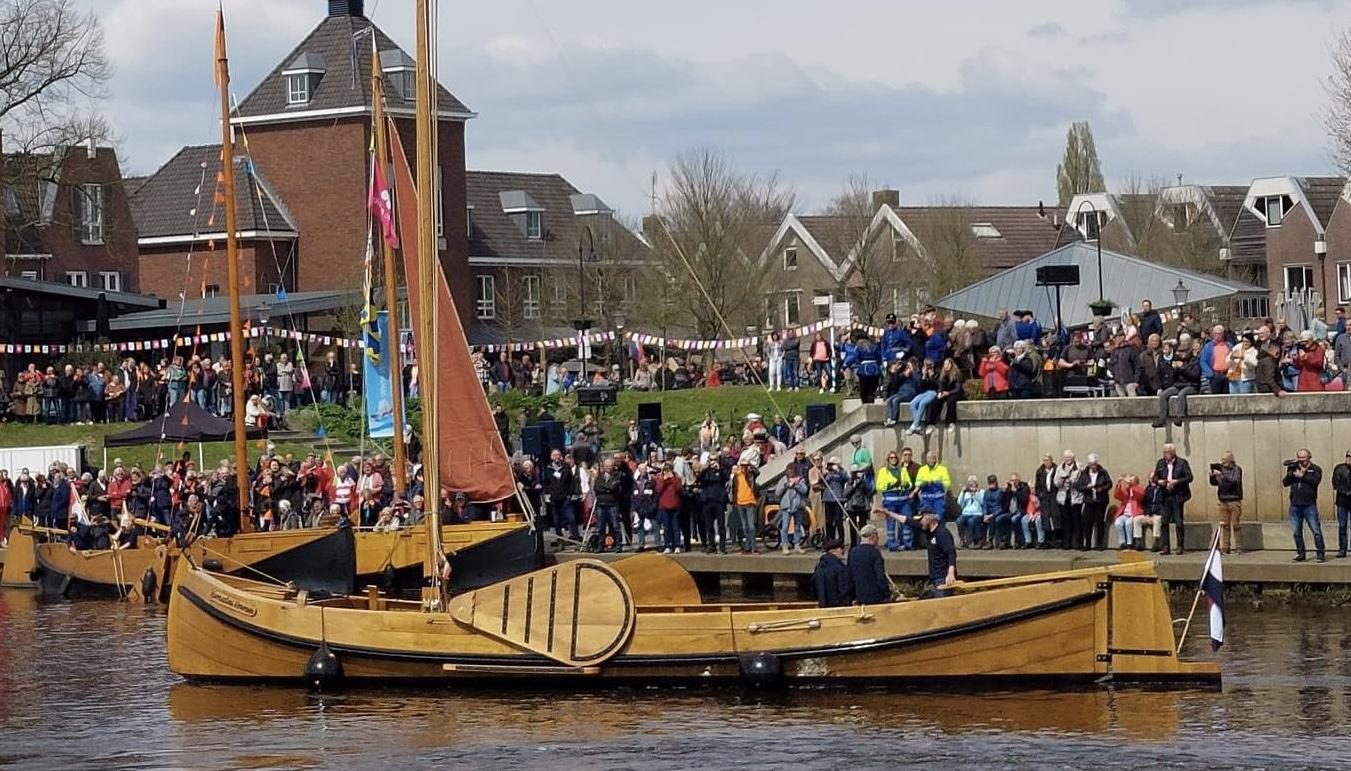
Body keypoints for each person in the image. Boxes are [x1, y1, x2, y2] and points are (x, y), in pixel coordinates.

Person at [1283, 449, 1326, 563]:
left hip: (1309, 504)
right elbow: (1285, 483)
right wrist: (1291, 474)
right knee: (1296, 531)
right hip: (1295, 505)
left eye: (1304, 459)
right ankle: (1301, 553)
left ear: (1309, 457)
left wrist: (1302, 476)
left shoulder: (1315, 469)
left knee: (1316, 530)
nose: (1302, 461)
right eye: (1300, 459)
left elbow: (1315, 482)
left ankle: (1320, 554)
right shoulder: (1293, 468)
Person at [1153, 444, 1193, 555]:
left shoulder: (1182, 463)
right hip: (1165, 495)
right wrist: (1159, 481)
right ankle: (1165, 546)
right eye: (1165, 451)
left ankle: (1180, 546)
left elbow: (1189, 477)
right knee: (1164, 521)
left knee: (1178, 522)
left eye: (1168, 452)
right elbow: (1155, 477)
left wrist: (1177, 481)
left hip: (1178, 495)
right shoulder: (1161, 463)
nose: (1166, 454)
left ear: (1173, 452)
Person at [875, 449, 918, 550]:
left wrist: (905, 484)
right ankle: (892, 544)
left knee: (906, 521)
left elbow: (909, 483)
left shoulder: (902, 470)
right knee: (891, 523)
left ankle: (907, 543)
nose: (893, 460)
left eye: (895, 458)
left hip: (903, 500)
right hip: (890, 500)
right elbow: (879, 486)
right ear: (888, 460)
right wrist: (890, 485)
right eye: (891, 458)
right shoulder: (883, 471)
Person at [1153, 337, 1201, 428]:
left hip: (1191, 385)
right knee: (1164, 395)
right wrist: (1173, 369)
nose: (1180, 354)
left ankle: (1180, 416)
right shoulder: (1177, 360)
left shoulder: (1194, 361)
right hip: (1179, 384)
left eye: (1183, 352)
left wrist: (1182, 368)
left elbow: (1194, 376)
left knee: (1181, 394)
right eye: (1179, 352)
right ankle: (1162, 418)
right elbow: (1173, 377)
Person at [1073, 454, 1112, 551]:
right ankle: (1088, 543)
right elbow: (1078, 486)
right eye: (1091, 464)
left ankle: (1099, 544)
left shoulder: (1103, 472)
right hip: (1089, 501)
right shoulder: (1084, 473)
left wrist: (1101, 489)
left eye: (1094, 464)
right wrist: (1087, 487)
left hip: (1100, 501)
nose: (1092, 466)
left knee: (1099, 522)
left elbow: (1109, 484)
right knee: (1086, 522)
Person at [1208, 451, 1244, 554]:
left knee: (1236, 524)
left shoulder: (1236, 469)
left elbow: (1234, 481)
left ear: (1230, 460)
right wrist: (1212, 476)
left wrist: (1222, 475)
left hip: (1234, 499)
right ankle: (1225, 546)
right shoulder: (1220, 469)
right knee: (1225, 525)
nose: (1222, 462)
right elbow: (1215, 483)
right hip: (1223, 499)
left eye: (1224, 460)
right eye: (1222, 459)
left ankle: (1239, 546)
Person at [847, 524, 891, 605]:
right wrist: (887, 593)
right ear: (873, 537)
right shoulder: (875, 553)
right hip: (876, 597)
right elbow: (880, 576)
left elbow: (849, 576)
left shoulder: (852, 552)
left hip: (859, 596)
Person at [921, 511, 957, 597]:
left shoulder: (942, 533)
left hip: (943, 577)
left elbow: (951, 553)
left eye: (923, 519)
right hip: (935, 577)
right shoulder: (928, 532)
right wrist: (889, 513)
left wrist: (950, 573)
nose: (921, 522)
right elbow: (910, 522)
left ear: (930, 519)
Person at [775, 467, 809, 555]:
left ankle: (797, 545)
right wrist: (785, 486)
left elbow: (805, 490)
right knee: (785, 527)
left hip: (798, 506)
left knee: (797, 527)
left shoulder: (801, 479)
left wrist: (796, 485)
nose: (791, 474)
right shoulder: (783, 479)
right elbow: (777, 492)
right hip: (787, 506)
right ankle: (785, 546)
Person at [812, 537, 853, 608]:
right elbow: (845, 589)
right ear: (834, 551)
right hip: (839, 607)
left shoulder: (819, 567)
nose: (843, 551)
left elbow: (814, 587)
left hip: (823, 605)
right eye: (841, 548)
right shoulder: (840, 568)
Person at [1054, 451, 1082, 551]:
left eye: (1069, 458)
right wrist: (1062, 479)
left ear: (1073, 458)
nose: (1067, 460)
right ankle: (1066, 543)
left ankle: (1077, 543)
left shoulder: (1079, 467)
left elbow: (1081, 481)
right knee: (1065, 521)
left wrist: (1072, 481)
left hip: (1075, 498)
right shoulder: (1059, 468)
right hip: (1063, 498)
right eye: (1066, 458)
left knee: (1076, 521)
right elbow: (1056, 483)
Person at [1111, 474, 1144, 550]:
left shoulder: (1139, 488)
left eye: (1132, 480)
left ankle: (1129, 543)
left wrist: (1132, 487)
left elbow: (1141, 495)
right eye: (1129, 480)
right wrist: (1118, 483)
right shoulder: (1126, 490)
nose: (1129, 482)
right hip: (1125, 514)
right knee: (1118, 523)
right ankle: (1122, 542)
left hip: (1134, 513)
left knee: (1128, 523)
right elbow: (1117, 495)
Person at [955, 476, 984, 548]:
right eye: (970, 485)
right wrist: (962, 492)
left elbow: (982, 502)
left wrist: (976, 494)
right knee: (959, 521)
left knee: (971, 521)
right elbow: (959, 503)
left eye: (974, 484)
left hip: (977, 513)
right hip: (966, 513)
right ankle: (962, 540)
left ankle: (972, 541)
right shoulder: (966, 493)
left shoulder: (981, 492)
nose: (972, 487)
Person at [1333, 450, 1351, 559]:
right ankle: (1342, 549)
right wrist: (1346, 492)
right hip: (1342, 501)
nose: (1349, 458)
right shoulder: (1339, 468)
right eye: (1348, 456)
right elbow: (1335, 483)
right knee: (1342, 526)